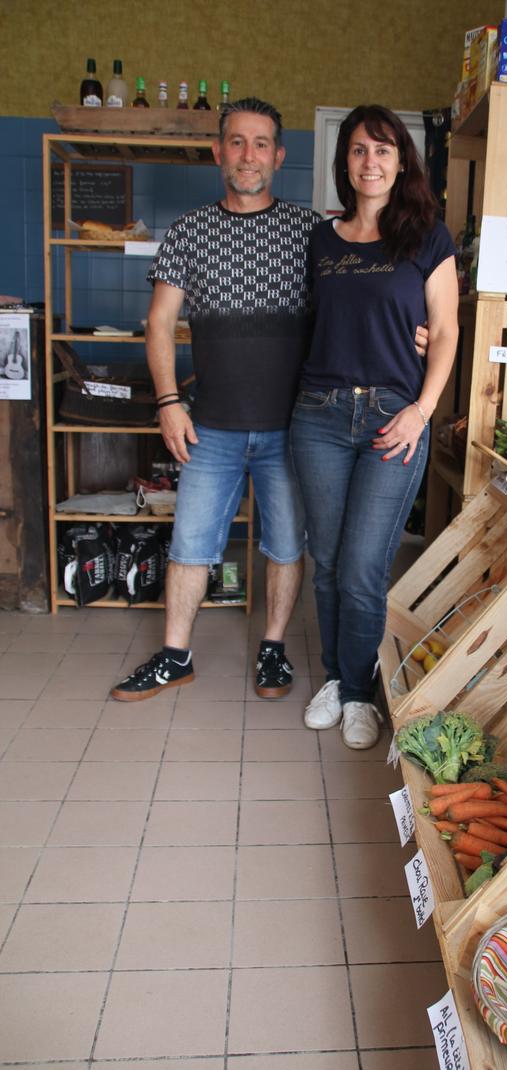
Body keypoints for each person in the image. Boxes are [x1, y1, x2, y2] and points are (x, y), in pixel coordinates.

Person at [110, 97, 317, 702]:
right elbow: (158, 323)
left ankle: (273, 649)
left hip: (291, 429)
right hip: (211, 430)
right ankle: (176, 656)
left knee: (284, 546)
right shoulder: (189, 232)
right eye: (236, 142)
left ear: (277, 156)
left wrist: (408, 331)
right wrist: (168, 401)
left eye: (260, 143)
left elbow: (354, 308)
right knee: (190, 548)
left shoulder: (309, 233)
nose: (247, 155)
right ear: (217, 152)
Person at [290, 105, 459, 749]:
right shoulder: (320, 239)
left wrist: (422, 409)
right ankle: (338, 679)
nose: (371, 162)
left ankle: (361, 691)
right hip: (320, 416)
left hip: (395, 419)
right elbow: (311, 323)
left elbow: (443, 331)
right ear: (346, 162)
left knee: (363, 565)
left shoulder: (426, 238)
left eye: (384, 150)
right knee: (328, 562)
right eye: (360, 150)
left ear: (402, 162)